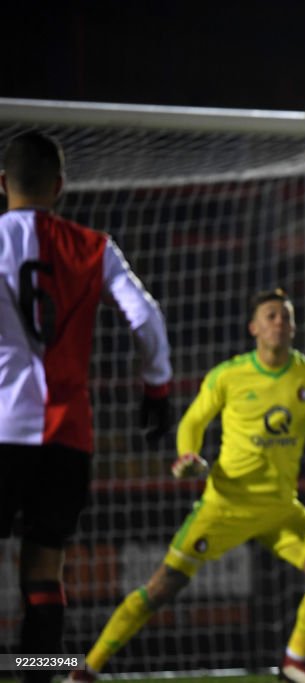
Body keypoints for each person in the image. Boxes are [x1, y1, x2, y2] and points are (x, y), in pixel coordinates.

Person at [67, 288, 305, 683]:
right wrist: (187, 456)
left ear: (294, 327)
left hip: (280, 507)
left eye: (286, 316)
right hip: (225, 505)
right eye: (270, 315)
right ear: (254, 328)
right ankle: (85, 670)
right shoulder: (229, 375)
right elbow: (193, 422)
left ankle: (295, 664)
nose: (280, 321)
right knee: (161, 588)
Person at [0, 131, 173, 683]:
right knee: (44, 568)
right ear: (60, 187)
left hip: (2, 431)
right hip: (66, 438)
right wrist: (157, 389)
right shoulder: (93, 246)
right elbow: (145, 317)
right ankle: (39, 675)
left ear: (3, 183)